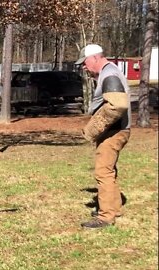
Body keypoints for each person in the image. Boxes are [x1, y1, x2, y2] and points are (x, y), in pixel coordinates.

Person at [75, 44, 131, 228]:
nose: (84, 66)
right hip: (115, 130)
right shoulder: (109, 72)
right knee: (109, 170)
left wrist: (95, 127)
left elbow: (117, 106)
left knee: (103, 172)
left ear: (95, 58)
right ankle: (113, 207)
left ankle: (105, 217)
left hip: (113, 132)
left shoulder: (109, 74)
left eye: (85, 62)